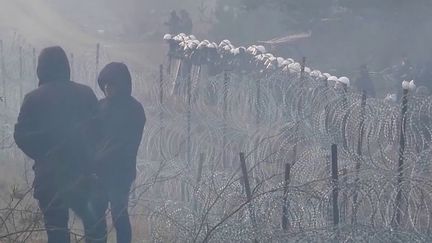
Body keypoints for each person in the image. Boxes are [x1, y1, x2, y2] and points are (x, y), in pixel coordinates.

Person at [14, 46, 107, 243]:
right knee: (95, 230)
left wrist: (44, 151)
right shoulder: (85, 93)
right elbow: (99, 130)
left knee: (57, 233)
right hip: (83, 175)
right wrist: (84, 151)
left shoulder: (33, 98)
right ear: (66, 67)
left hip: (50, 177)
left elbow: (21, 136)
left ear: (41, 69)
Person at [93, 62, 146, 243]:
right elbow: (92, 136)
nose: (107, 88)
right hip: (98, 171)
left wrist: (100, 157)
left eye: (112, 84)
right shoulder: (100, 107)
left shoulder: (134, 110)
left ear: (122, 84)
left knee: (118, 213)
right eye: (105, 84)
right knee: (96, 215)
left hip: (120, 172)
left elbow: (128, 144)